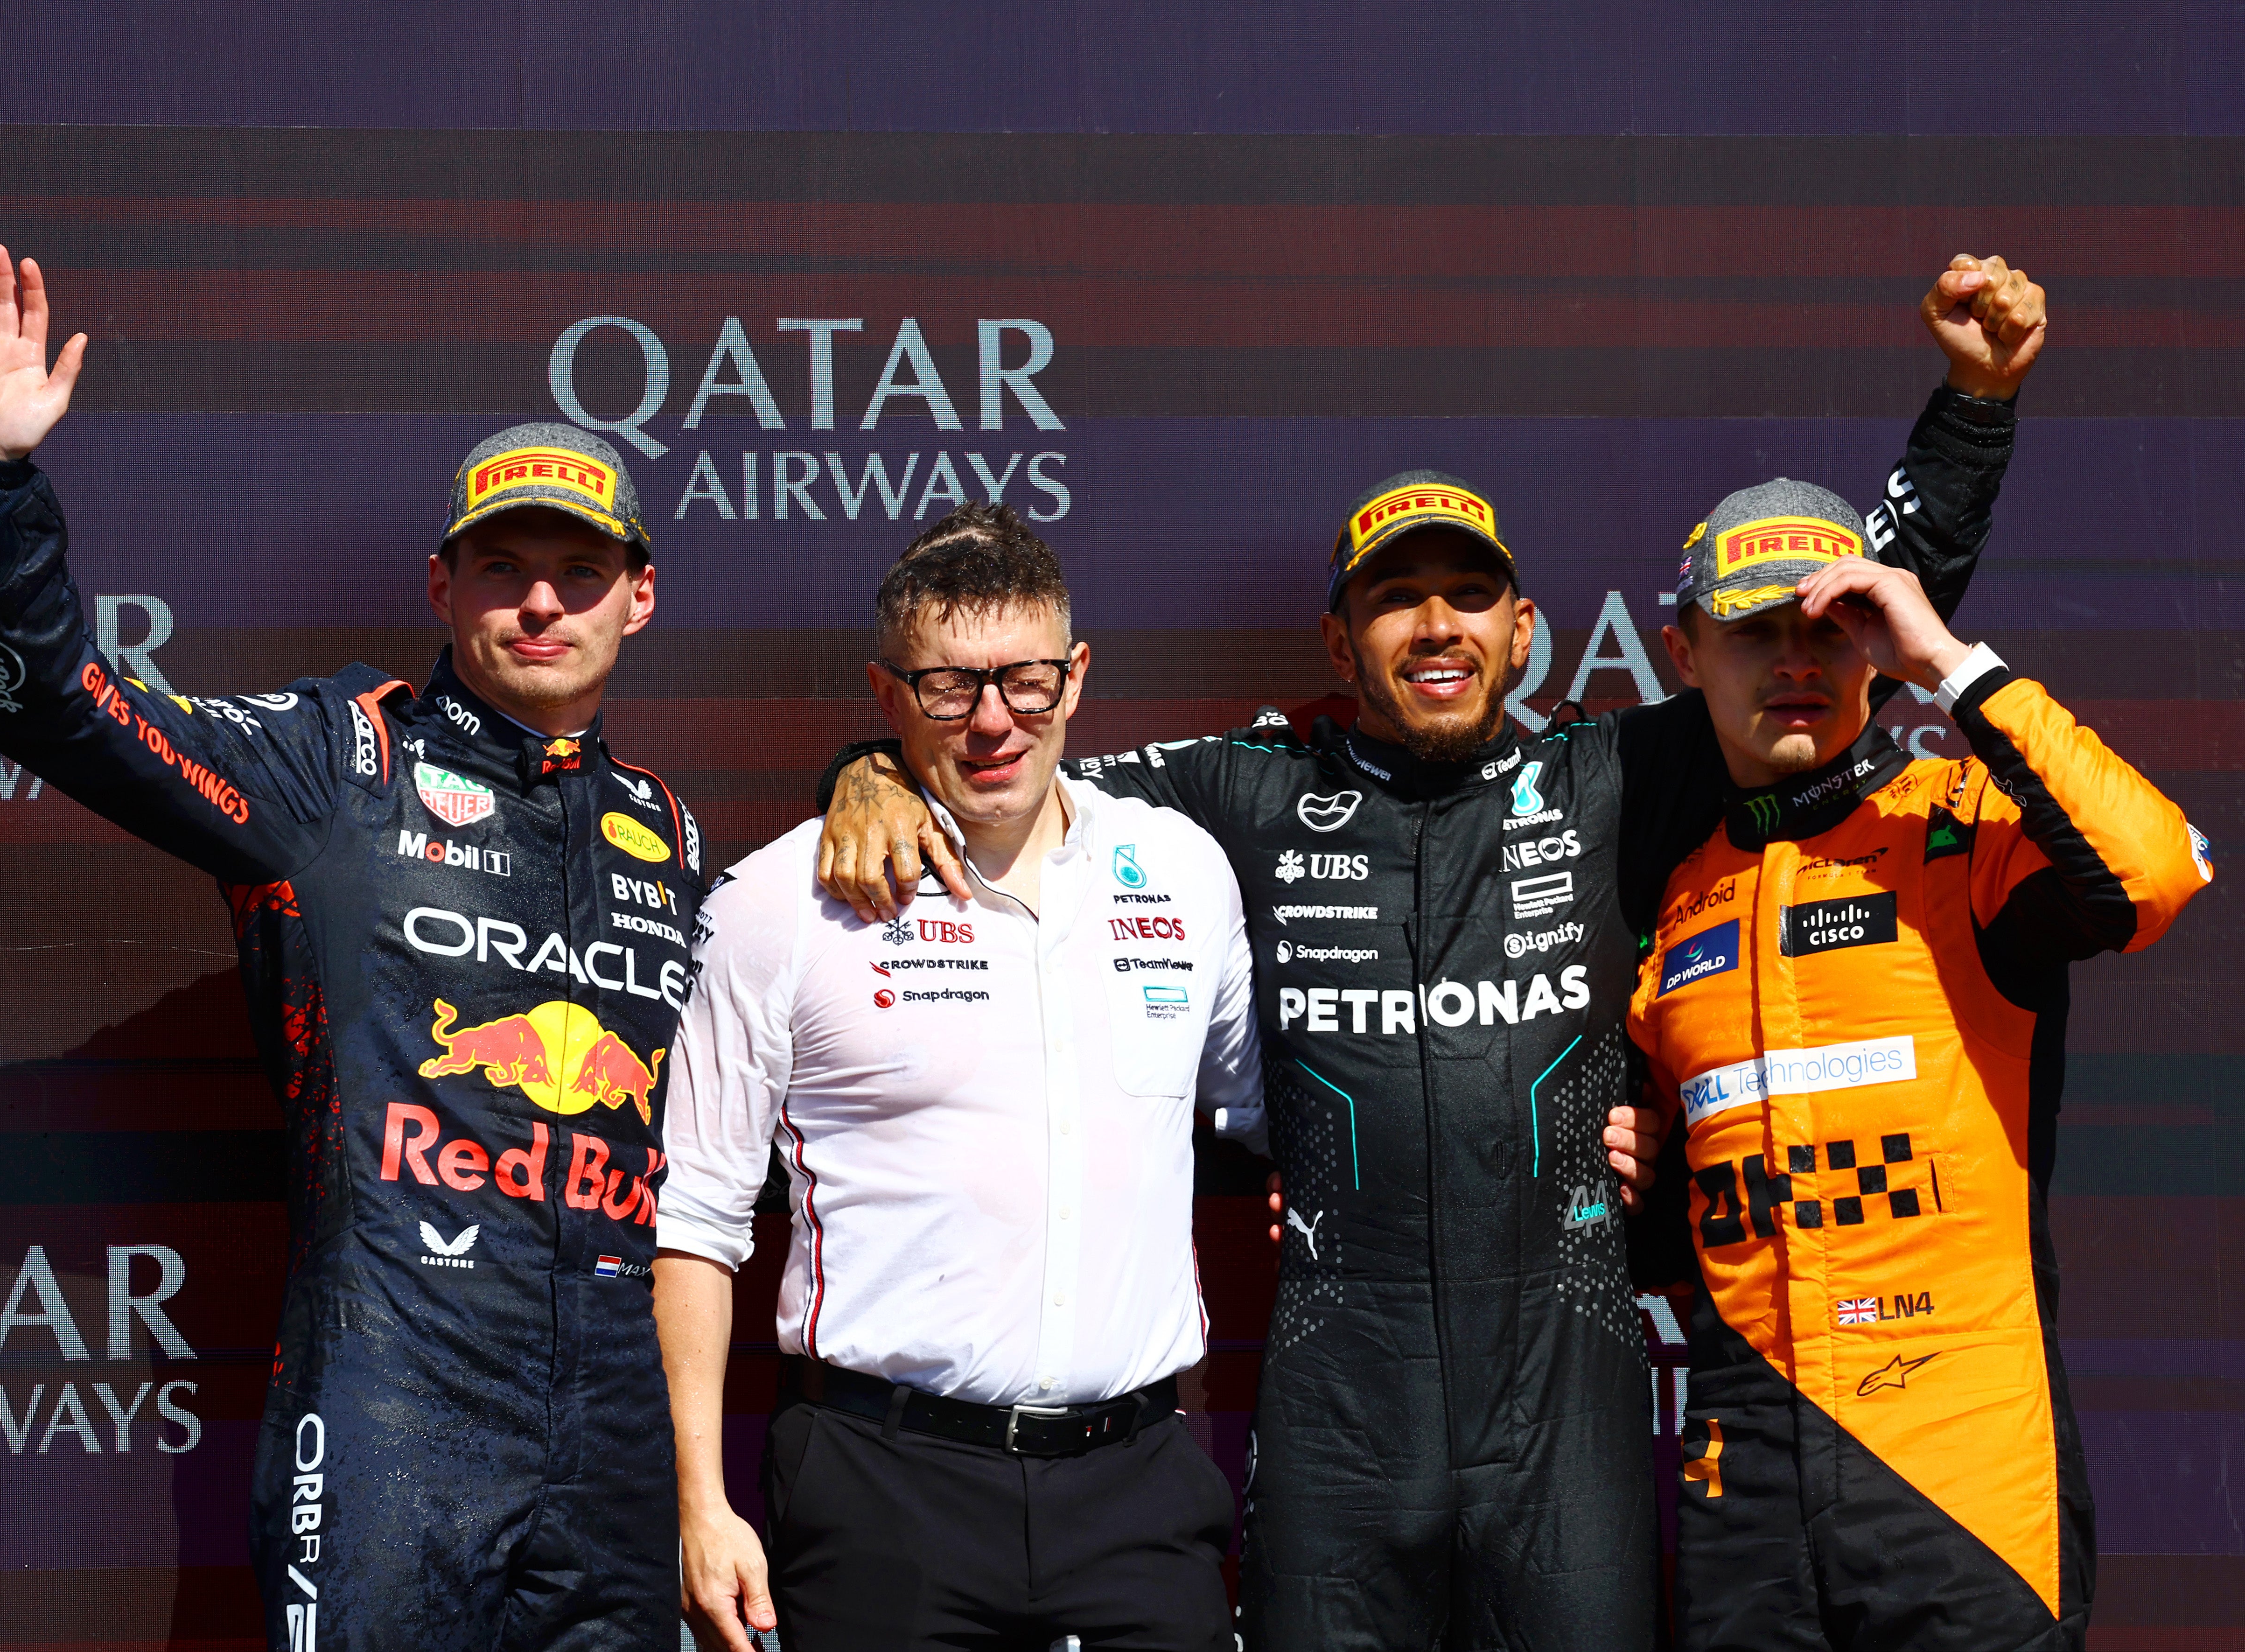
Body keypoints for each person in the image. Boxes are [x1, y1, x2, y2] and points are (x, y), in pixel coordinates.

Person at [814, 256, 2048, 1650]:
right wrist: (873, 768)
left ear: (1522, 632)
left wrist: (1974, 407)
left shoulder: (1612, 775)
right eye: (1397, 599)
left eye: (1471, 593)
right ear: (1340, 640)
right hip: (1342, 1406)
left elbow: (1844, 630)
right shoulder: (1247, 787)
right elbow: (1006, 761)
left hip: (1566, 1403)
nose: (1437, 623)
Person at [0, 246, 696, 1650]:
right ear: (441, 583)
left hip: (613, 1427)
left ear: (637, 597)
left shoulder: (666, 826)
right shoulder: (337, 761)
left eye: (579, 573)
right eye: (503, 567)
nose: (541, 603)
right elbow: (58, 700)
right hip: (396, 1388)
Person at [655, 504, 1262, 1652]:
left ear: (1077, 679)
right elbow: (693, 1219)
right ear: (887, 700)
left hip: (1137, 1487)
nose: (994, 722)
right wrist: (699, 1502)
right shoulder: (780, 901)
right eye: (949, 689)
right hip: (883, 1486)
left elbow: (1277, 1109)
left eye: (1027, 682)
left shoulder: (1182, 873)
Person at [1630, 482, 2210, 1652]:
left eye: (1829, 629)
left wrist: (1947, 658)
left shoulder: (1963, 824)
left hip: (1962, 1462)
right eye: (1756, 633)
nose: (1796, 662)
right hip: (1746, 1466)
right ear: (1684, 652)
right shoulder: (1675, 894)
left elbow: (2152, 873)